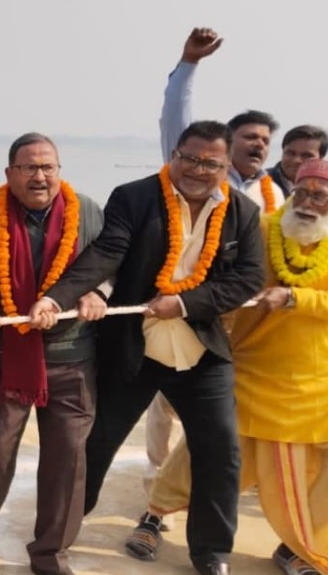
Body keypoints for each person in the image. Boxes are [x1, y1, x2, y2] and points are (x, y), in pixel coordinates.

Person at [38, 121, 266, 575]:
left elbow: (248, 279)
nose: (198, 170)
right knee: (96, 443)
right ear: (175, 154)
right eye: (190, 158)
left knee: (221, 450)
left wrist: (185, 303)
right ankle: (57, 537)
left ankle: (211, 552)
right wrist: (55, 298)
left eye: (211, 163)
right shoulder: (135, 196)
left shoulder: (242, 211)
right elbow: (107, 253)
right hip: (131, 349)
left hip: (201, 351)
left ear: (226, 166)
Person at [118, 159, 328, 575]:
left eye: (319, 196)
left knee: (299, 472)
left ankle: (297, 546)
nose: (307, 203)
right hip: (246, 367)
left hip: (308, 382)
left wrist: (295, 300)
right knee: (204, 452)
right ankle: (155, 515)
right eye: (301, 192)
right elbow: (220, 277)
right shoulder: (264, 228)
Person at [0, 133, 106, 575]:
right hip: (3, 357)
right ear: (9, 174)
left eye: (48, 166)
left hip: (73, 359)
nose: (39, 176)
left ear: (60, 171)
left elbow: (112, 265)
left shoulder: (87, 211)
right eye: (28, 167)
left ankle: (51, 555)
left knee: (67, 458)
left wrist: (98, 292)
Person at [160, 27, 285, 212]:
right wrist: (189, 62)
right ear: (227, 143)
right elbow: (176, 113)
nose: (259, 144)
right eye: (250, 137)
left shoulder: (274, 193)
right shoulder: (194, 173)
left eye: (265, 141)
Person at [269, 125, 328, 195]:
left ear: (321, 158)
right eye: (291, 153)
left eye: (306, 156)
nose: (296, 160)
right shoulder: (258, 184)